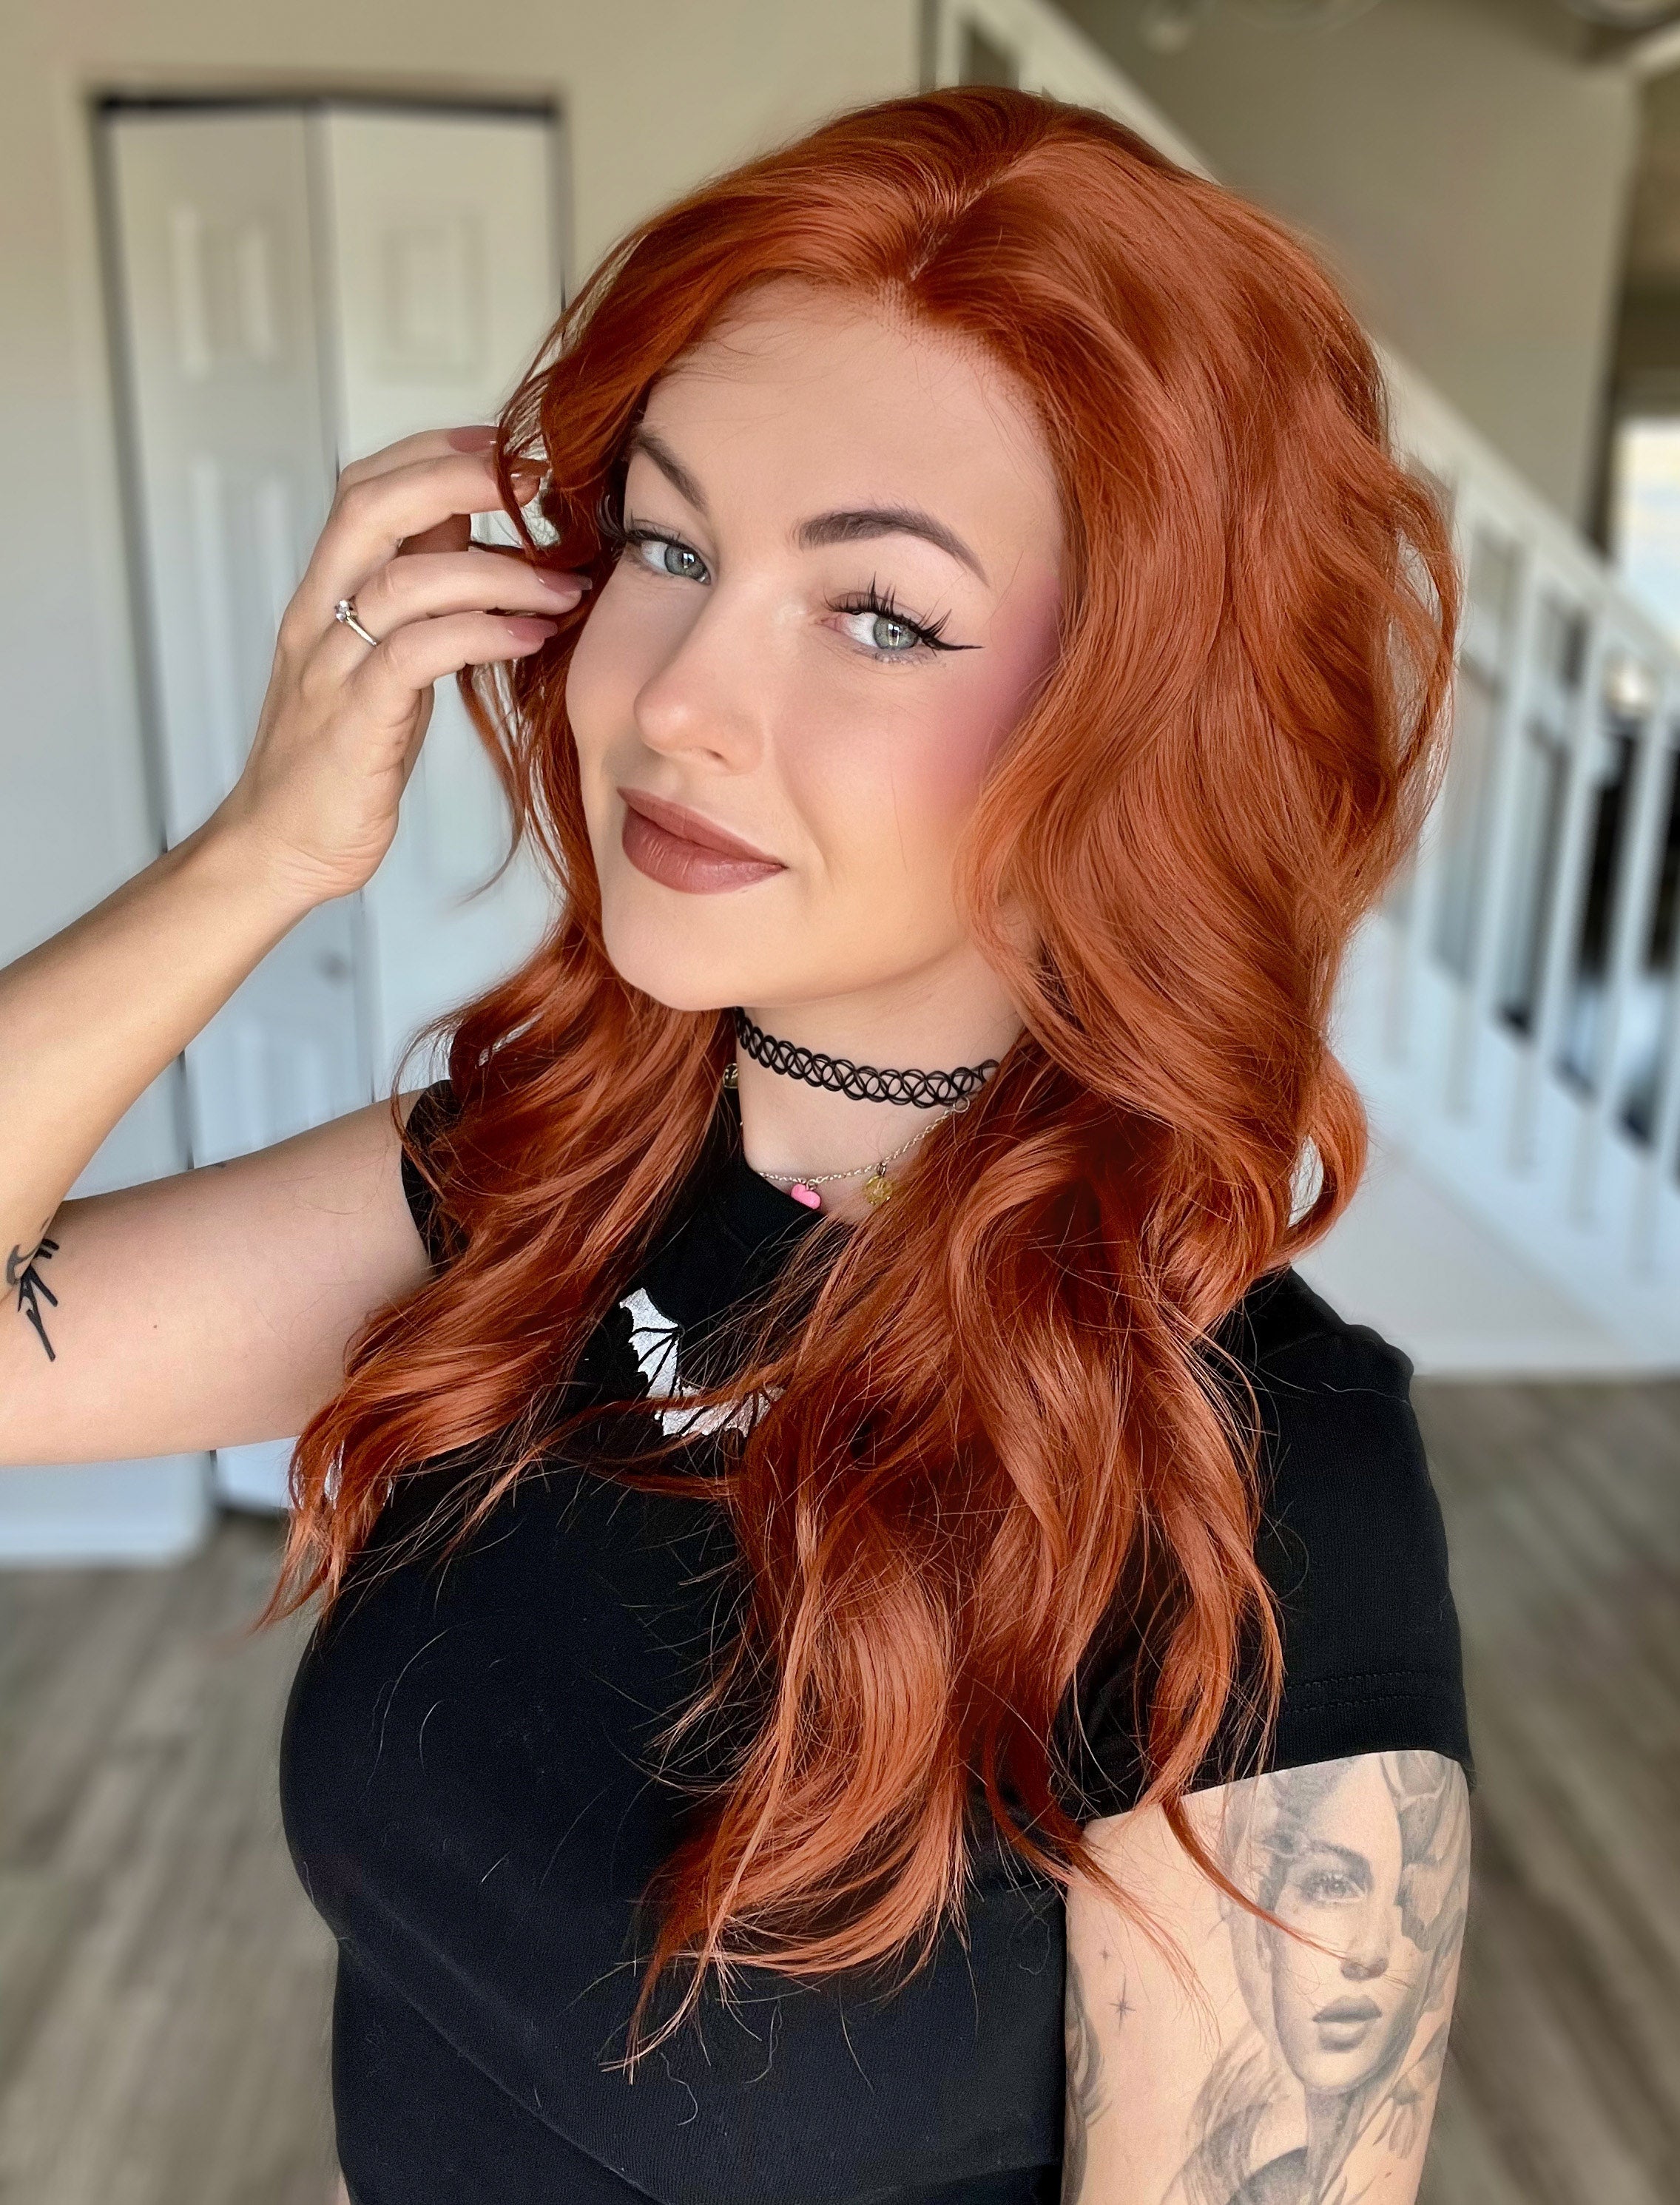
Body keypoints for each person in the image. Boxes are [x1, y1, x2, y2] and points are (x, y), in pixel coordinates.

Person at [0, 86, 1474, 2205]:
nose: (676, 696)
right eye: (669, 547)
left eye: (879, 614)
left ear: (1151, 719)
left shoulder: (1255, 1495)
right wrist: (259, 856)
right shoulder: (530, 1190)